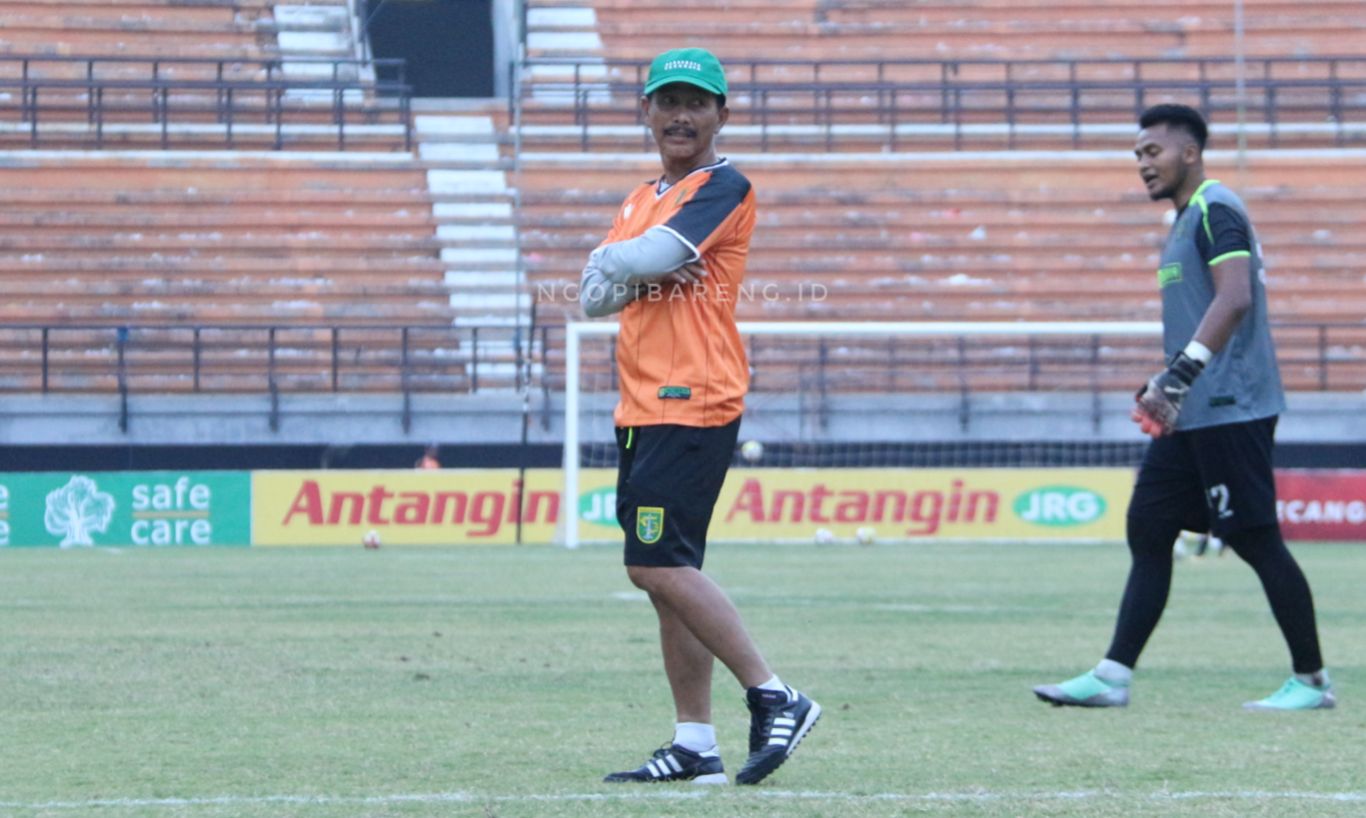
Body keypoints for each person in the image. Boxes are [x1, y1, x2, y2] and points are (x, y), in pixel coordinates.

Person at [1034, 104, 1332, 711]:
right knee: (1148, 525)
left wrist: (1182, 374)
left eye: (1152, 152)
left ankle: (1311, 682)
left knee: (1255, 539)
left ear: (1188, 153)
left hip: (1229, 404)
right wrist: (1166, 379)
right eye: (1137, 155)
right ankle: (1113, 674)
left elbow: (1236, 297)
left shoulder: (1215, 207)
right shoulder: (1181, 221)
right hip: (1192, 406)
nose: (1142, 164)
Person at [579, 47, 820, 785]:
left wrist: (629, 260)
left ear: (722, 114)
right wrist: (630, 259)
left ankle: (776, 694)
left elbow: (637, 260)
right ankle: (695, 744)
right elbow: (594, 293)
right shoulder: (638, 197)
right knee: (669, 576)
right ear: (645, 110)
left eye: (696, 102)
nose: (680, 115)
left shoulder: (723, 184)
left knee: (653, 563)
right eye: (667, 100)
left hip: (692, 400)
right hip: (643, 402)